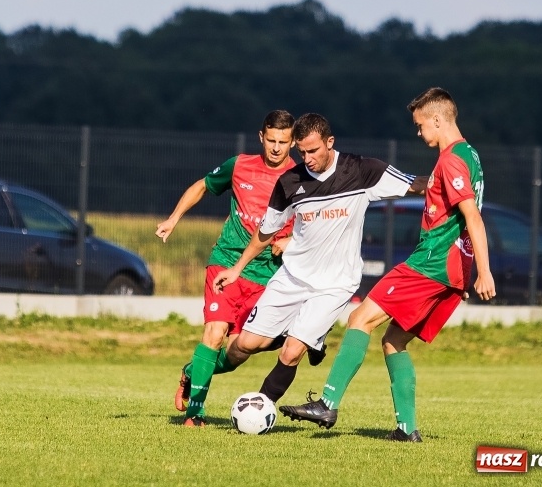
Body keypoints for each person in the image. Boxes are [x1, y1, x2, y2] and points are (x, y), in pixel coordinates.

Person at [279, 87, 496, 442]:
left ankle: (328, 403)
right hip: (452, 269)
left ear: (438, 120)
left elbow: (472, 216)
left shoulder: (452, 159)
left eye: (421, 124)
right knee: (393, 340)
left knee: (359, 318)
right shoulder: (471, 154)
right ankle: (406, 429)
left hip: (432, 263)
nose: (418, 132)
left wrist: (485, 272)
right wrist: (469, 271)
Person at [212, 112, 427, 408]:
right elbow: (266, 231)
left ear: (330, 142)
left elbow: (417, 184)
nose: (307, 158)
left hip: (335, 285)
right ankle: (200, 371)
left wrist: (457, 184)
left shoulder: (362, 170)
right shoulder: (290, 182)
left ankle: (260, 410)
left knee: (291, 353)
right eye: (302, 152)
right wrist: (237, 269)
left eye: (313, 150)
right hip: (292, 278)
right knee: (244, 345)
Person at [156, 109, 299, 427]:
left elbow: (311, 225)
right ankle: (196, 412)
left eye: (284, 142)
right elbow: (203, 186)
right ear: (262, 137)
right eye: (271, 140)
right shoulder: (240, 166)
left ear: (293, 143)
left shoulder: (302, 178)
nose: (276, 148)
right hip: (226, 263)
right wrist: (173, 219)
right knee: (215, 333)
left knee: (237, 353)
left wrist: (291, 240)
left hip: (267, 275)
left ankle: (192, 371)